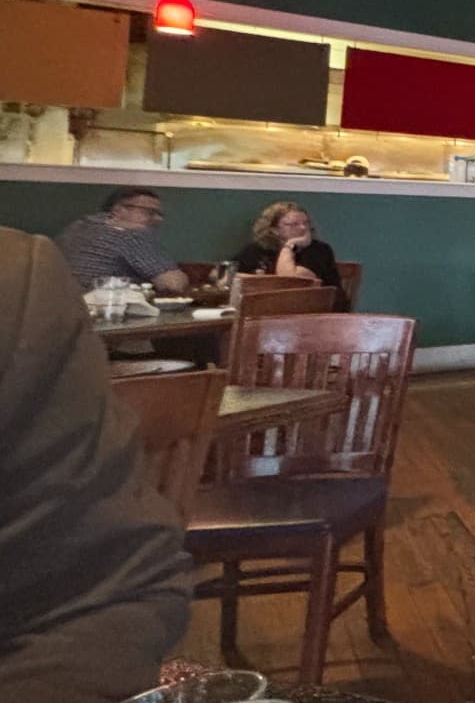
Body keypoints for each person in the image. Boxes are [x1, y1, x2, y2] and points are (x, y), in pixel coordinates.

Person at [0, 228, 192, 700]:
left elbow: (96, 589)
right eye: (150, 212)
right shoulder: (124, 237)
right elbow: (173, 281)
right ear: (127, 212)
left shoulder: (21, 277)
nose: (155, 219)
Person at [55, 187, 189, 294]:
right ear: (119, 210)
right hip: (106, 308)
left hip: (59, 307)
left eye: (158, 214)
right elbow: (173, 284)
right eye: (149, 212)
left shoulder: (77, 226)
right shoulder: (132, 234)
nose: (157, 219)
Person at [232, 201, 341, 287]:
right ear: (274, 229)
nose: (303, 228)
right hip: (269, 305)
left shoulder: (319, 250)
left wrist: (289, 245)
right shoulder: (257, 249)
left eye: (306, 223)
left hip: (317, 307)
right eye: (294, 224)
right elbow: (231, 276)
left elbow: (291, 281)